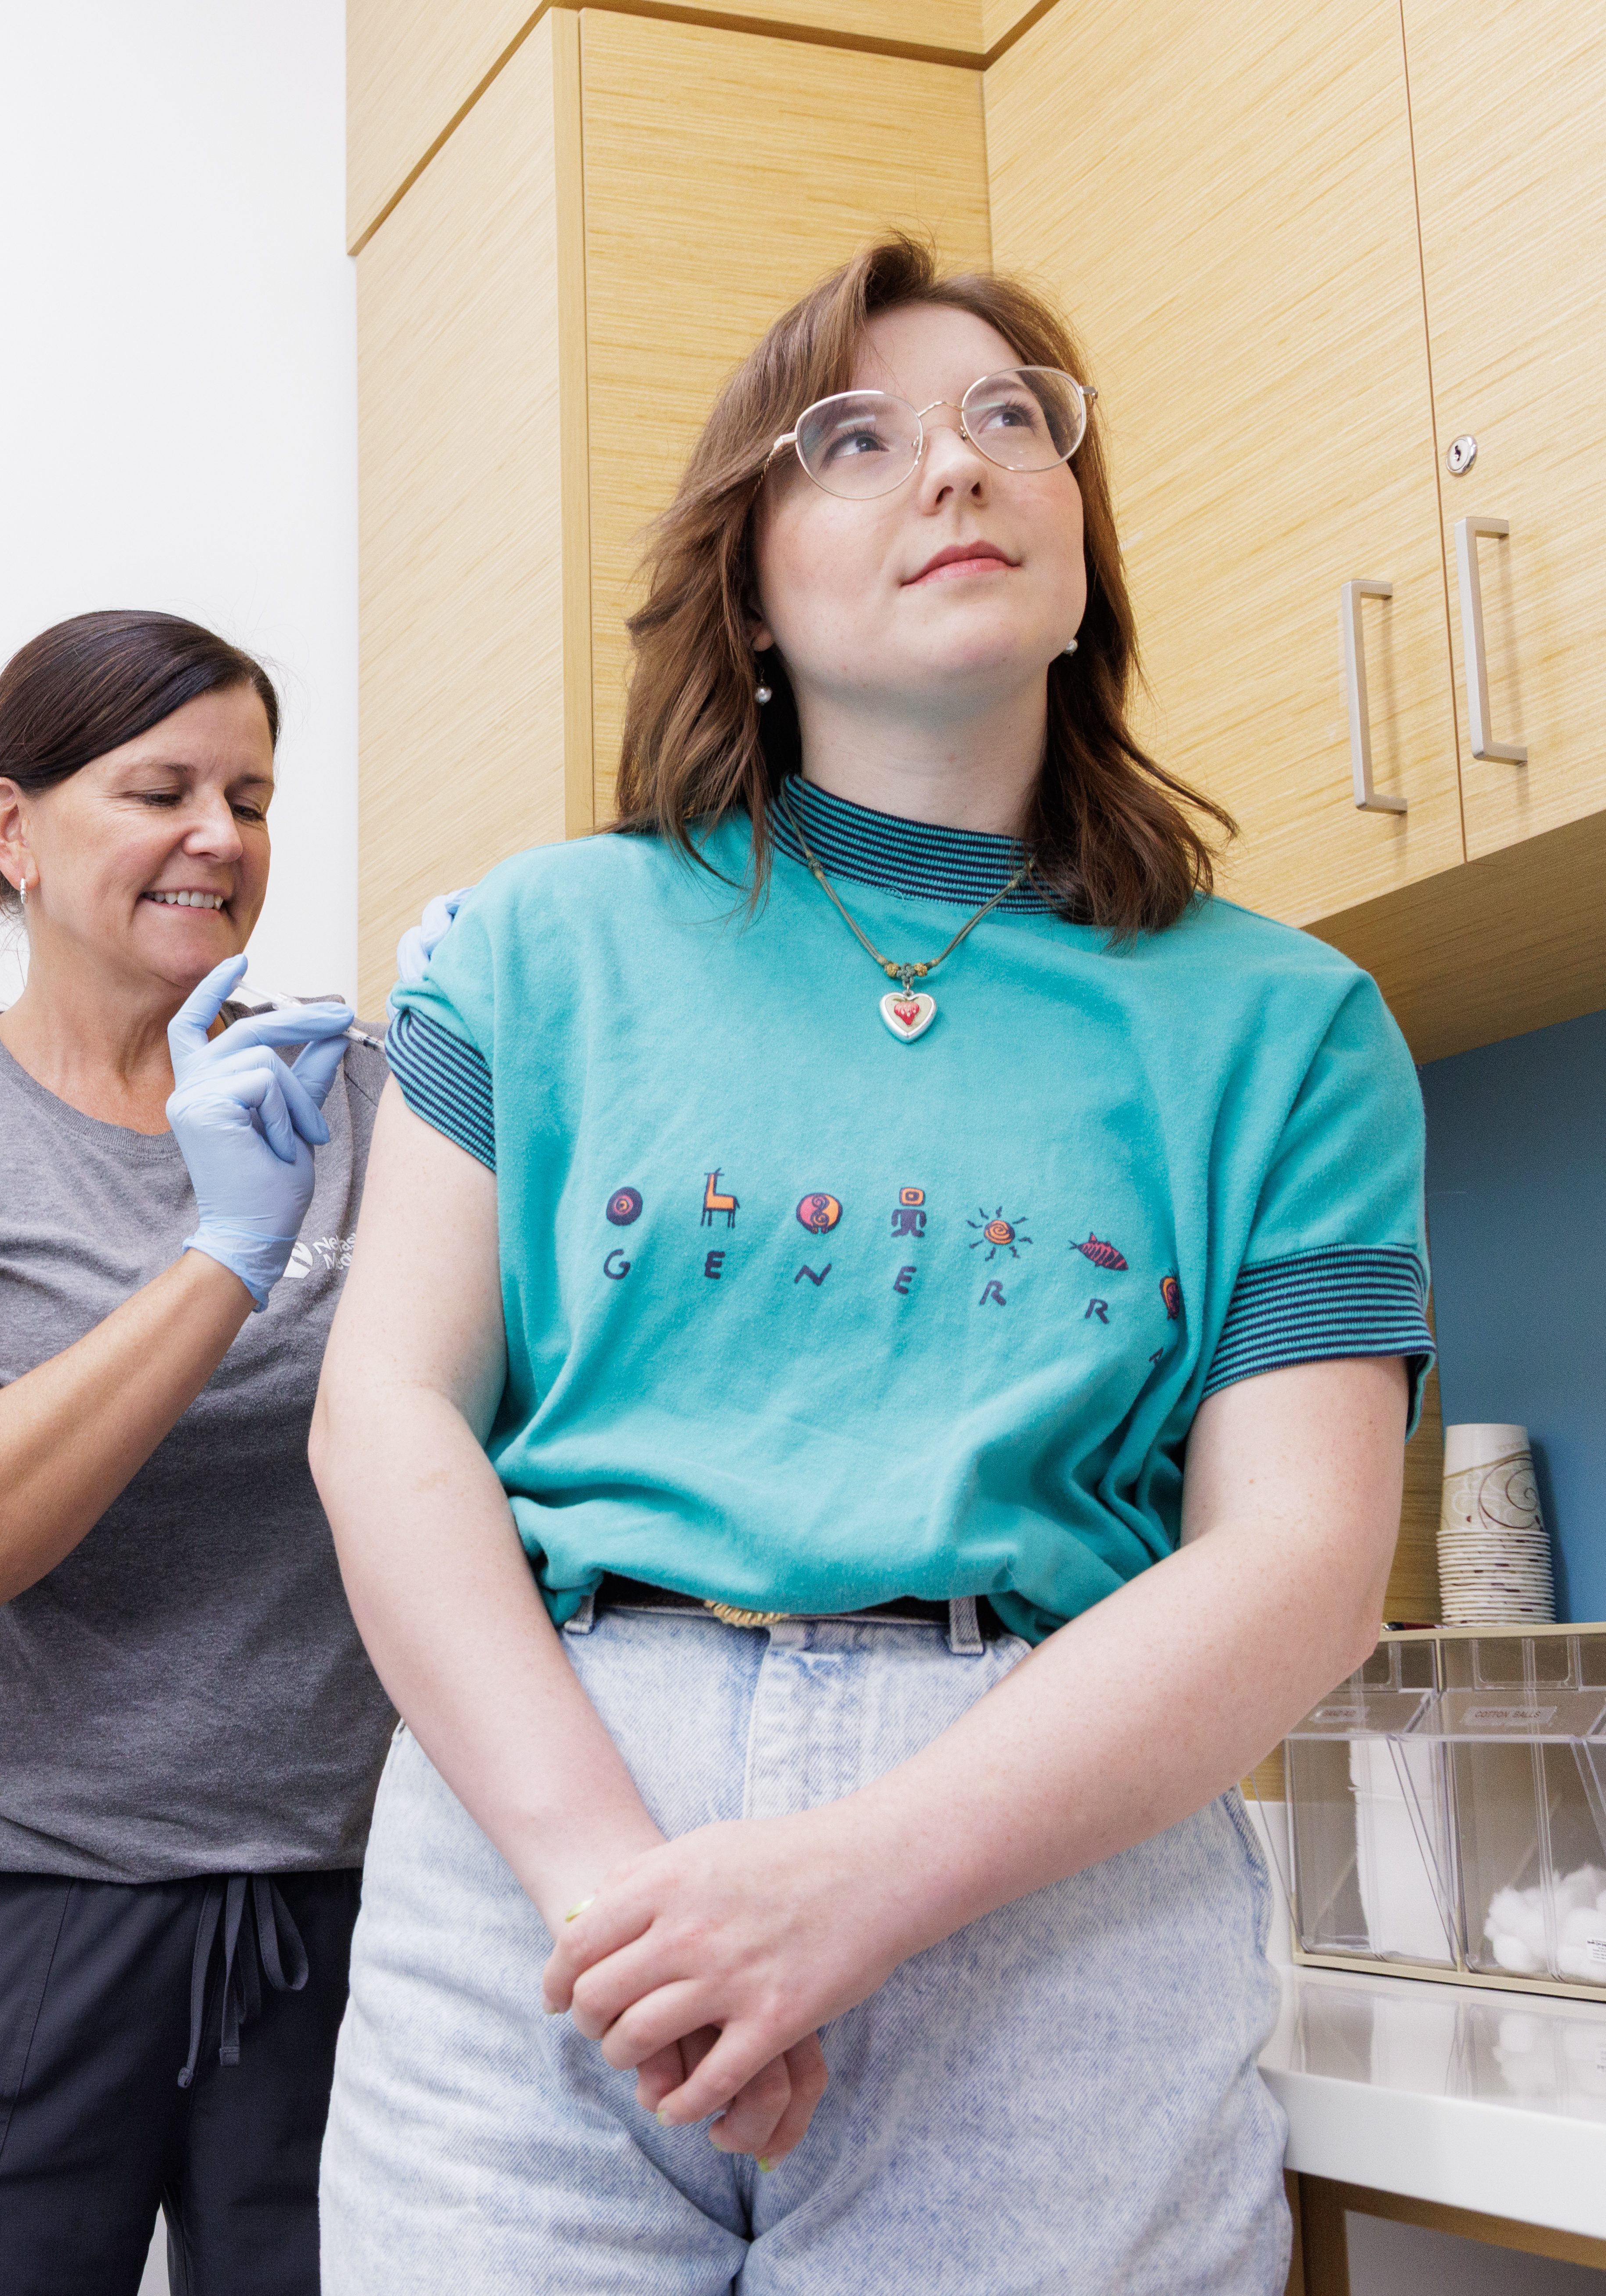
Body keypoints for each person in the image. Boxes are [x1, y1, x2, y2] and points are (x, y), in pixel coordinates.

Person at [309, 240, 1431, 2291]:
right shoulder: (530, 948)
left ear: (1080, 544)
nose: (957, 467)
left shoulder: (1288, 1028)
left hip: (1042, 1879)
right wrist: (607, 1897)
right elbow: (383, 1418)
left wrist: (851, 1880)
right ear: (742, 578)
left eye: (1013, 419)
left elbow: (1299, 1562)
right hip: (546, 1875)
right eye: (856, 436)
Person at [0, 611, 460, 2294]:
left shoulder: (374, 1110)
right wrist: (220, 1261)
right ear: (12, 829)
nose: (218, 838)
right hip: (5, 1915)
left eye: (251, 794)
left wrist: (514, 1053)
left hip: (347, 1913)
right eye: (159, 788)